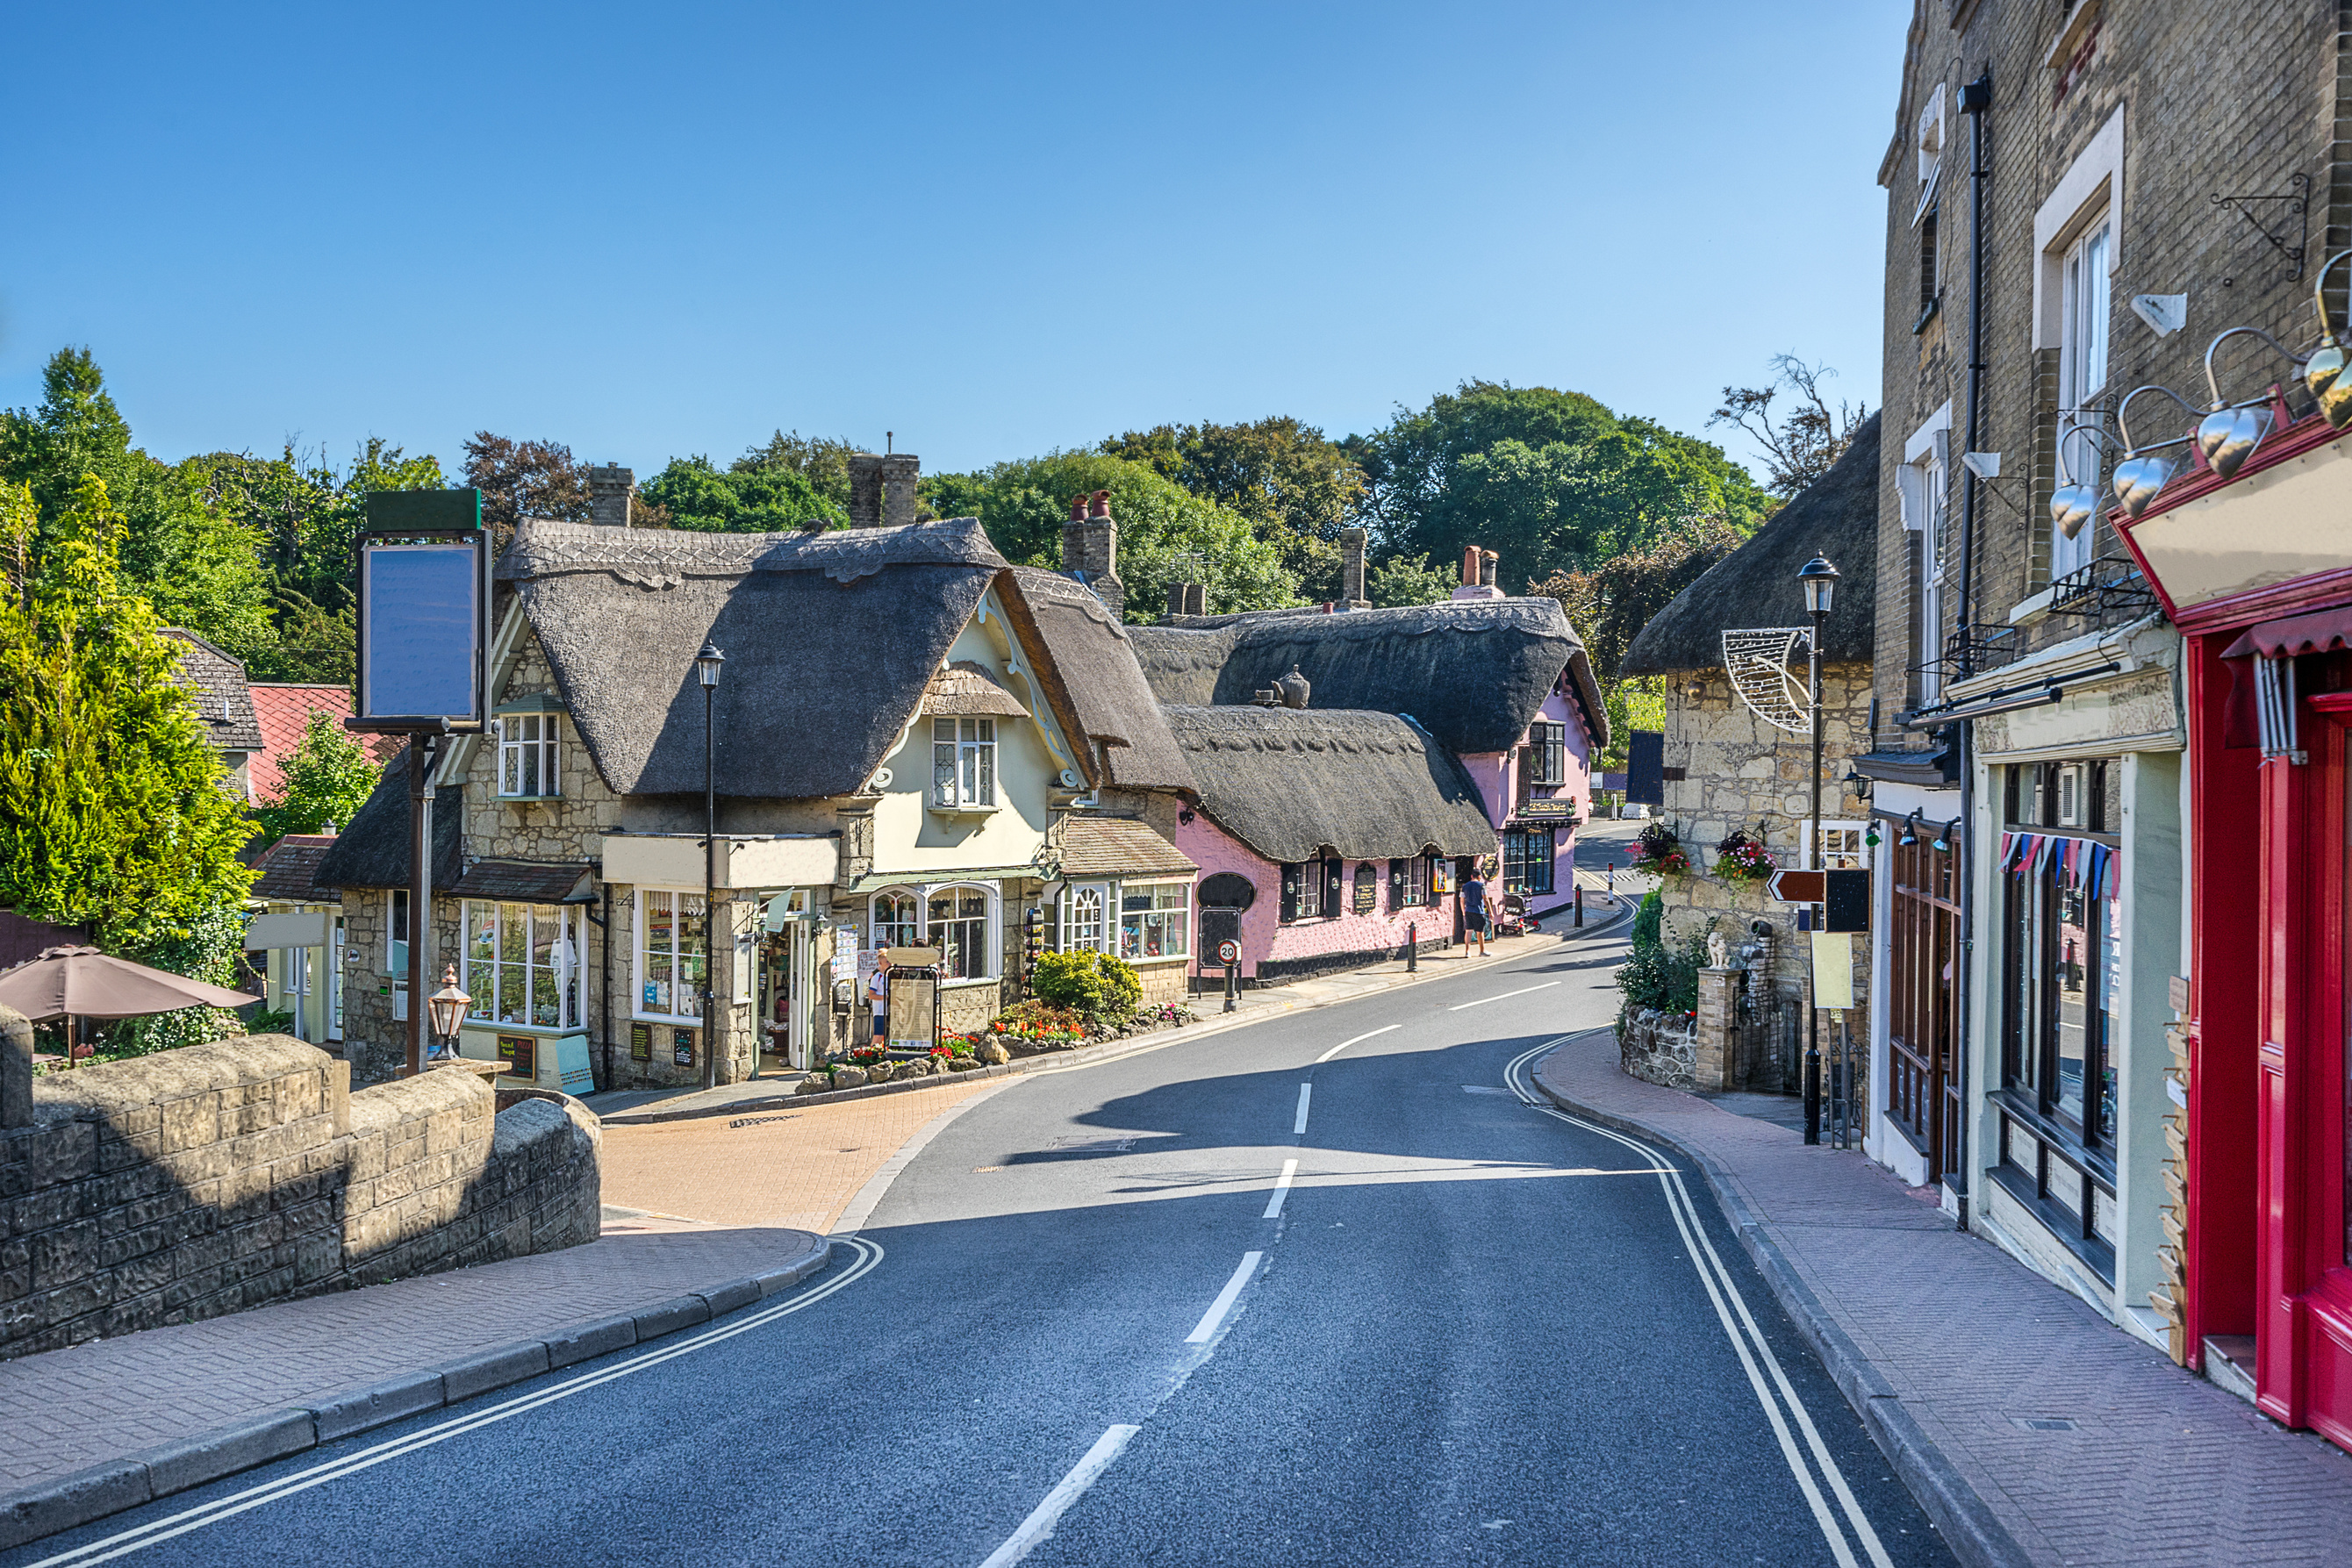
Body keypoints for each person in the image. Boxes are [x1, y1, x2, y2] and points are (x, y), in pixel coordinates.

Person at [1461, 864, 1493, 956]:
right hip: (1478, 911)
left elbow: (1462, 899)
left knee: (1468, 931)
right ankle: (1482, 951)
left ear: (1471, 876)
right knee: (1480, 932)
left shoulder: (1465, 886)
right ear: (1479, 876)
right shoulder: (1481, 886)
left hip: (1468, 911)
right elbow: (1485, 899)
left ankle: (1467, 952)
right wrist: (1490, 912)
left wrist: (1463, 911)